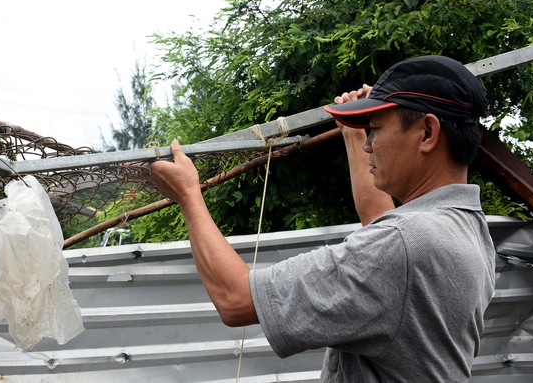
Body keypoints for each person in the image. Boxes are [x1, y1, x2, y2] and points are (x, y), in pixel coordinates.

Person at [149, 55, 496, 381]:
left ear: (428, 133)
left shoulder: (402, 245)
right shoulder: (467, 228)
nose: (368, 145)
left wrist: (189, 195)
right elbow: (380, 219)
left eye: (375, 129)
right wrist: (353, 131)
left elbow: (236, 299)